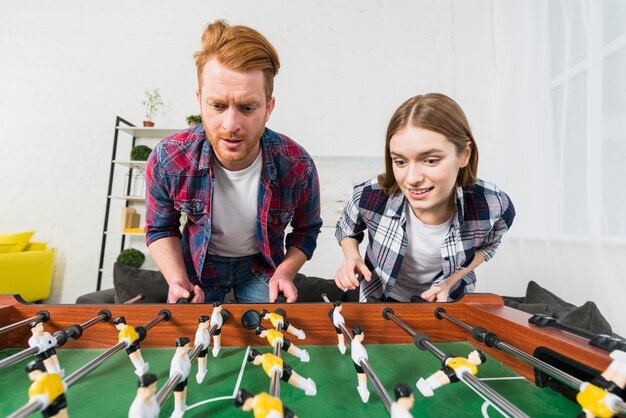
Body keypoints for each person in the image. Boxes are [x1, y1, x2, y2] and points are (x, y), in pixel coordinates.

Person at [145, 19, 322, 304]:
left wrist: (285, 273)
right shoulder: (168, 159)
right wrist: (177, 279)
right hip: (199, 270)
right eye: (217, 106)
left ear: (269, 108)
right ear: (200, 101)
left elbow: (307, 229)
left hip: (262, 268)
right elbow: (160, 228)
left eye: (247, 107)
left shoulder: (298, 165)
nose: (231, 124)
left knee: (268, 339)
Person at [334, 93, 515, 302]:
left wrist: (449, 282)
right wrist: (352, 258)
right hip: (379, 302)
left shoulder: (494, 205)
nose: (412, 179)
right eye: (400, 162)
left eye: (430, 160)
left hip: (448, 303)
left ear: (464, 155)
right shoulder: (368, 196)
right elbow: (347, 229)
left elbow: (489, 245)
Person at [416, 349, 486, 397]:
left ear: (478, 360)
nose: (471, 353)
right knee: (437, 375)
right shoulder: (463, 359)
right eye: (472, 352)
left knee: (440, 379)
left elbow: (469, 371)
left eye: (473, 353)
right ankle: (426, 382)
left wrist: (461, 370)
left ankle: (430, 387)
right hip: (448, 367)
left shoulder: (473, 368)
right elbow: (453, 360)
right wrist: (449, 360)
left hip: (453, 374)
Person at [247, 349, 316, 396]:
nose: (254, 364)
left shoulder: (265, 363)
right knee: (297, 377)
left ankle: (310, 389)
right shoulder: (266, 355)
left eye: (253, 362)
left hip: (282, 372)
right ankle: (308, 384)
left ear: (255, 358)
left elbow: (272, 372)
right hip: (284, 365)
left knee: (296, 382)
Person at [169, 337, 192, 418]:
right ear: (180, 348)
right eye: (186, 346)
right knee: (179, 395)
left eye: (188, 346)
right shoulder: (177, 359)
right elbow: (176, 373)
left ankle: (182, 406)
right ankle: (177, 411)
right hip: (178, 381)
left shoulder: (184, 355)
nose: (188, 348)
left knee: (184, 391)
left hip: (184, 377)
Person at [350, 326, 370, 403]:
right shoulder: (358, 347)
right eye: (362, 334)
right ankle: (363, 391)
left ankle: (362, 389)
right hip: (360, 363)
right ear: (358, 335)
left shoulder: (353, 342)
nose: (363, 335)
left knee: (360, 375)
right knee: (363, 376)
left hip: (356, 361)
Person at [193, 315, 211, 384]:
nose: (208, 324)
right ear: (202, 323)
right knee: (201, 360)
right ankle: (200, 372)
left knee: (205, 358)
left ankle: (204, 369)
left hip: (205, 347)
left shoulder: (205, 330)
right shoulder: (200, 332)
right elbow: (199, 342)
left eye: (208, 322)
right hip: (201, 349)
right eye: (207, 323)